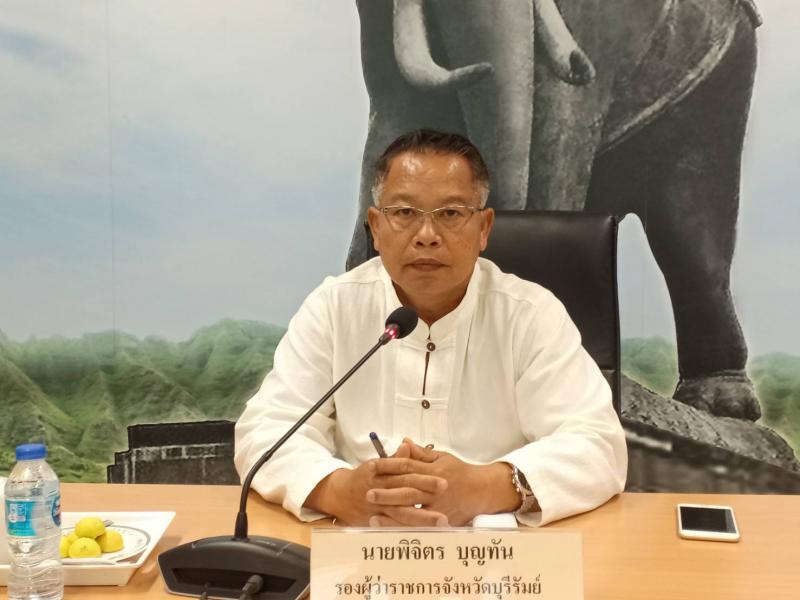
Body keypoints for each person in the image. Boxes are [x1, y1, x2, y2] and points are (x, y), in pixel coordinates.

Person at [235, 129, 627, 527]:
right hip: (362, 545)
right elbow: (265, 431)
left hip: (495, 551)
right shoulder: (334, 307)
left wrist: (487, 487)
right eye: (405, 213)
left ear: (484, 228)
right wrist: (340, 492)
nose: (426, 237)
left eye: (451, 214)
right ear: (376, 226)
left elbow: (599, 446)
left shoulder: (530, 314)